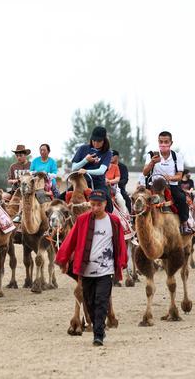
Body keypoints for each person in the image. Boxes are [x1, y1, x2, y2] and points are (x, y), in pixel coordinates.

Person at [55, 190, 127, 346]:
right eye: (92, 205)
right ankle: (98, 327)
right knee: (89, 302)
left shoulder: (114, 221)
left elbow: (120, 243)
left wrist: (122, 261)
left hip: (105, 270)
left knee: (101, 301)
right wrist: (63, 258)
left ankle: (98, 334)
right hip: (86, 270)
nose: (95, 208)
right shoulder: (82, 220)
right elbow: (71, 240)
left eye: (98, 205)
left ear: (105, 204)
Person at [142, 131, 192, 234]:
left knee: (181, 198)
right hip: (154, 186)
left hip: (171, 185)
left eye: (166, 142)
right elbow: (145, 172)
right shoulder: (151, 154)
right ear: (158, 142)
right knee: (139, 199)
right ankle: (135, 224)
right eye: (161, 142)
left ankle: (184, 223)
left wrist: (170, 178)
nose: (163, 144)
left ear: (171, 143)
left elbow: (179, 176)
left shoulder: (177, 156)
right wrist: (152, 162)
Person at [70, 126, 114, 213]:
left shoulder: (107, 153)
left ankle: (108, 223)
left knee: (108, 204)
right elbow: (74, 167)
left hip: (98, 184)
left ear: (104, 140)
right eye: (94, 140)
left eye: (99, 141)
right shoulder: (83, 148)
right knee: (61, 197)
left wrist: (86, 171)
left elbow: (101, 171)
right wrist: (85, 160)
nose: (95, 143)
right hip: (80, 183)